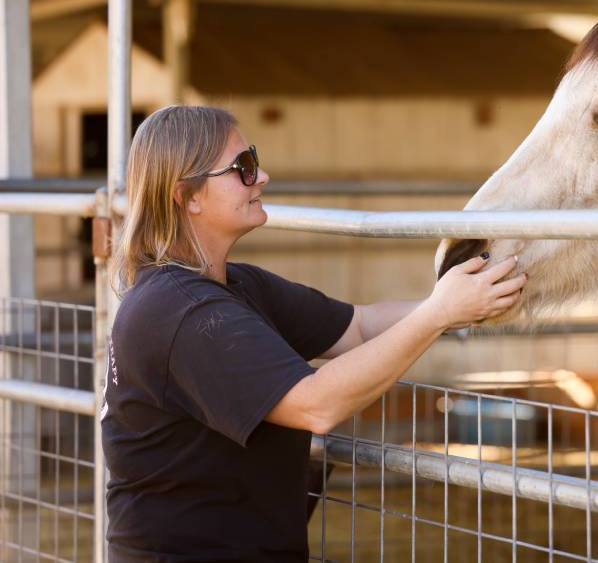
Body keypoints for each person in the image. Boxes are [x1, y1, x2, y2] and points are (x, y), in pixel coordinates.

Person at [101, 105, 526, 562]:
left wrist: (471, 299)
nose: (261, 175)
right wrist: (440, 314)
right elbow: (316, 404)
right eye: (242, 168)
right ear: (189, 197)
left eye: (254, 159)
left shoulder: (234, 286)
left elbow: (359, 325)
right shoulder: (183, 312)